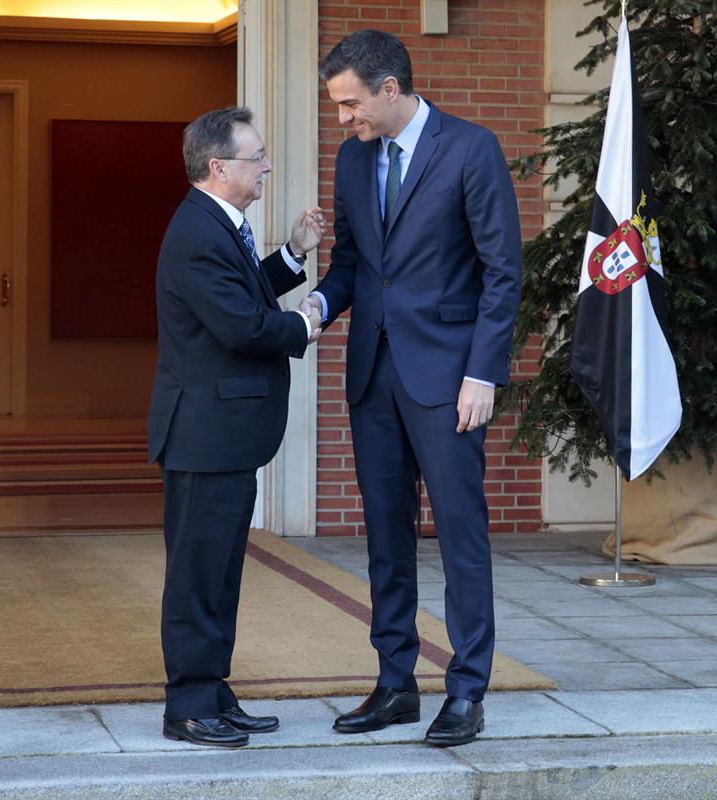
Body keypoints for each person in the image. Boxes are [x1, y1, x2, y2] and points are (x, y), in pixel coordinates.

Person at [304, 29, 522, 748]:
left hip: (451, 380)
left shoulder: (471, 148)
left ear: (389, 89)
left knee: (461, 535)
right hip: (373, 374)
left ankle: (467, 690)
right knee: (385, 539)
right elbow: (354, 265)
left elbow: (502, 274)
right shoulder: (351, 159)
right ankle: (395, 683)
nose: (343, 119)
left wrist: (482, 373)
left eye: (349, 104)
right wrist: (314, 311)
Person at [147, 106, 325, 748]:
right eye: (258, 157)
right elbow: (243, 326)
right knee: (197, 578)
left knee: (219, 574)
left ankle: (213, 694)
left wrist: (292, 254)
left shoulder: (219, 225)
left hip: (222, 434)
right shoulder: (199, 231)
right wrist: (306, 322)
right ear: (219, 167)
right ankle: (188, 707)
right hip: (204, 434)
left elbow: (242, 291)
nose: (268, 166)